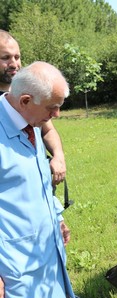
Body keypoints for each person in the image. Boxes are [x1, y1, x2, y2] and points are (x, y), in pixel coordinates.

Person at [0, 61, 77, 298]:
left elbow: (39, 180)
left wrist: (55, 216)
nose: (56, 114)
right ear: (24, 100)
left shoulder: (30, 120)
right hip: (12, 273)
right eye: (51, 107)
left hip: (46, 260)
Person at [0, 29, 66, 185]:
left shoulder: (27, 89)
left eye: (17, 57)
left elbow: (47, 129)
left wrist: (58, 155)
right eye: (6, 58)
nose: (14, 64)